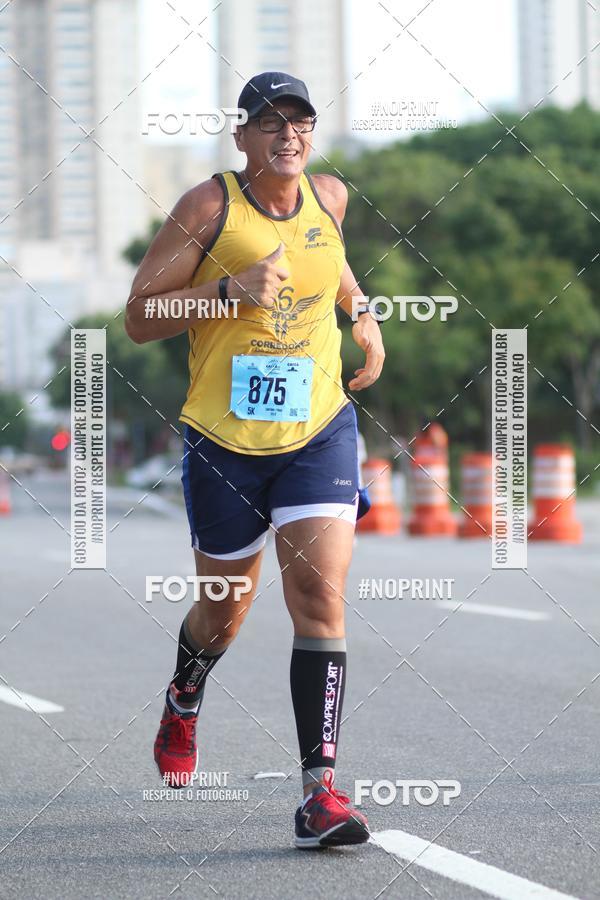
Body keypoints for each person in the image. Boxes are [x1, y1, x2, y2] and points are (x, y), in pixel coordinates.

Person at [125, 72, 385, 848]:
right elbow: (140, 316)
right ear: (241, 137)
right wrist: (227, 292)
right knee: (224, 614)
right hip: (224, 443)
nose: (288, 136)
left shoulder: (329, 197)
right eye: (270, 123)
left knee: (319, 599)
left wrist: (363, 315)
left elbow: (331, 263)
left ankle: (321, 795)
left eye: (300, 122)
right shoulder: (210, 207)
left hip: (318, 431)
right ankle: (184, 695)